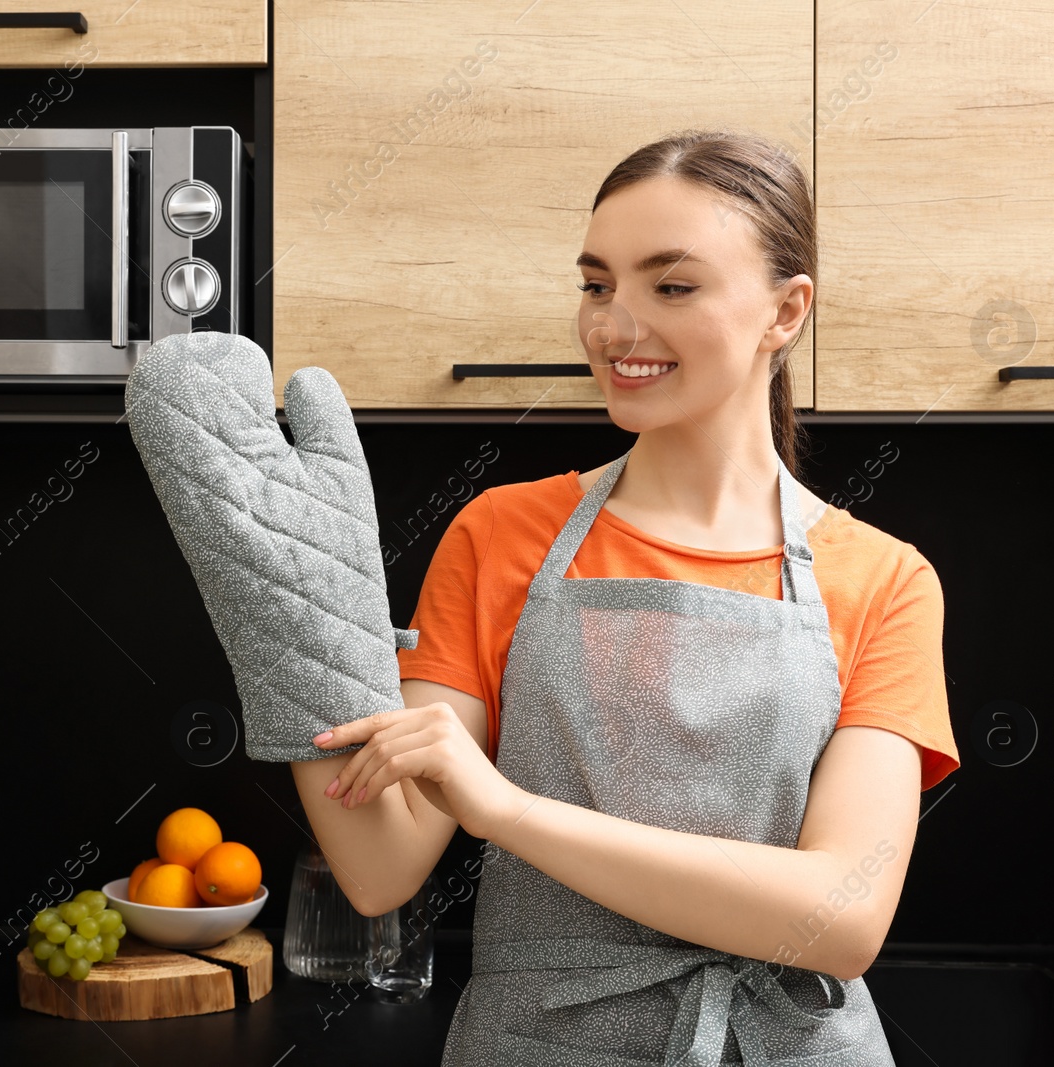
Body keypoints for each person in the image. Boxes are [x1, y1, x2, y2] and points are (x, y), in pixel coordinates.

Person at [291, 127, 960, 1065]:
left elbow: (840, 920)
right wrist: (286, 599)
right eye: (597, 284)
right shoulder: (500, 534)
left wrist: (507, 811)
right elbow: (377, 866)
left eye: (671, 286)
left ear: (787, 309)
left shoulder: (884, 579)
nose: (615, 325)